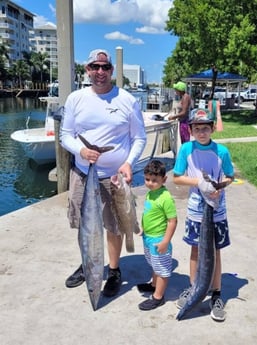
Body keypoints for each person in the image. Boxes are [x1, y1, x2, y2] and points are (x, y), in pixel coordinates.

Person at [60, 49, 147, 297]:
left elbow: (139, 137)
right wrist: (81, 150)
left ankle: (114, 269)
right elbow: (66, 135)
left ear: (111, 70)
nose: (100, 72)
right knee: (84, 224)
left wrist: (129, 162)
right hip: (82, 173)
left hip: (114, 178)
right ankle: (89, 263)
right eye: (94, 67)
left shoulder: (127, 100)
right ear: (87, 70)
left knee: (114, 225)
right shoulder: (75, 98)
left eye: (105, 67)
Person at [172, 108, 234, 321]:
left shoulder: (222, 151)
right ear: (191, 130)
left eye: (205, 128)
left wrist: (220, 186)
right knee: (196, 250)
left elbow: (230, 176)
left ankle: (216, 293)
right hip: (196, 210)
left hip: (216, 210)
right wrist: (199, 182)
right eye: (197, 128)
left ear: (212, 129)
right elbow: (178, 177)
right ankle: (194, 286)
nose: (201, 132)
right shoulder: (186, 150)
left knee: (215, 252)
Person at [137, 159, 177, 311]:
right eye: (147, 179)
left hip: (159, 239)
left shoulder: (165, 198)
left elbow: (172, 221)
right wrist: (143, 228)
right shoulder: (151, 193)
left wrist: (166, 241)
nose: (150, 183)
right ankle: (153, 285)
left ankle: (158, 297)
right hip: (148, 237)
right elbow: (148, 214)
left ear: (164, 179)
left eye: (154, 180)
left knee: (162, 270)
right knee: (154, 264)